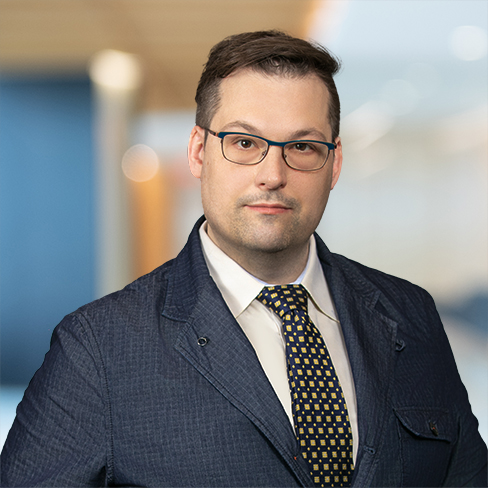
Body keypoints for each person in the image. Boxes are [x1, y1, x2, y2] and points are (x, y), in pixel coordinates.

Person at [1, 30, 486, 488]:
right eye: (244, 143)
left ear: (334, 162)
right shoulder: (98, 350)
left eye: (301, 146)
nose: (272, 174)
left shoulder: (410, 313)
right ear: (198, 152)